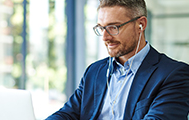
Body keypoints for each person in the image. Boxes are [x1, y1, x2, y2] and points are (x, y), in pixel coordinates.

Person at [46, 0, 189, 119]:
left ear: (141, 24)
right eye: (101, 28)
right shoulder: (94, 71)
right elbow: (68, 113)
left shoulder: (174, 74)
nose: (105, 37)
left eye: (113, 27)